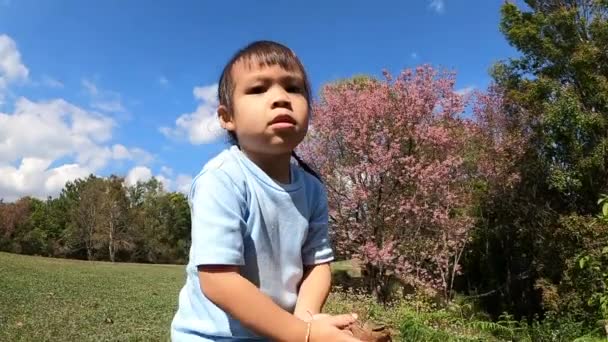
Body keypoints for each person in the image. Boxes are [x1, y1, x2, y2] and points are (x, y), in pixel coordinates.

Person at [171, 40, 362, 341]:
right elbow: (218, 280)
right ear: (226, 117)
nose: (280, 98)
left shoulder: (312, 189)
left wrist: (306, 323)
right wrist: (304, 335)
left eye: (293, 88)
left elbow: (318, 265)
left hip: (280, 333)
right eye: (259, 89)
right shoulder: (222, 179)